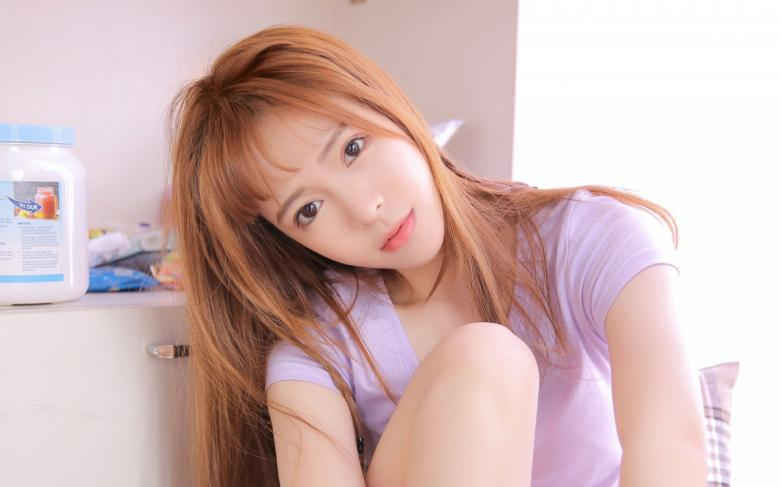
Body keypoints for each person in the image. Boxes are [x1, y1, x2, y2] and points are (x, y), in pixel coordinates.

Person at [166, 24, 707, 487]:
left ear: (388, 104)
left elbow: (672, 451)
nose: (366, 208)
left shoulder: (590, 235)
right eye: (308, 209)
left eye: (353, 148)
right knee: (486, 358)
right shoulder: (320, 342)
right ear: (287, 241)